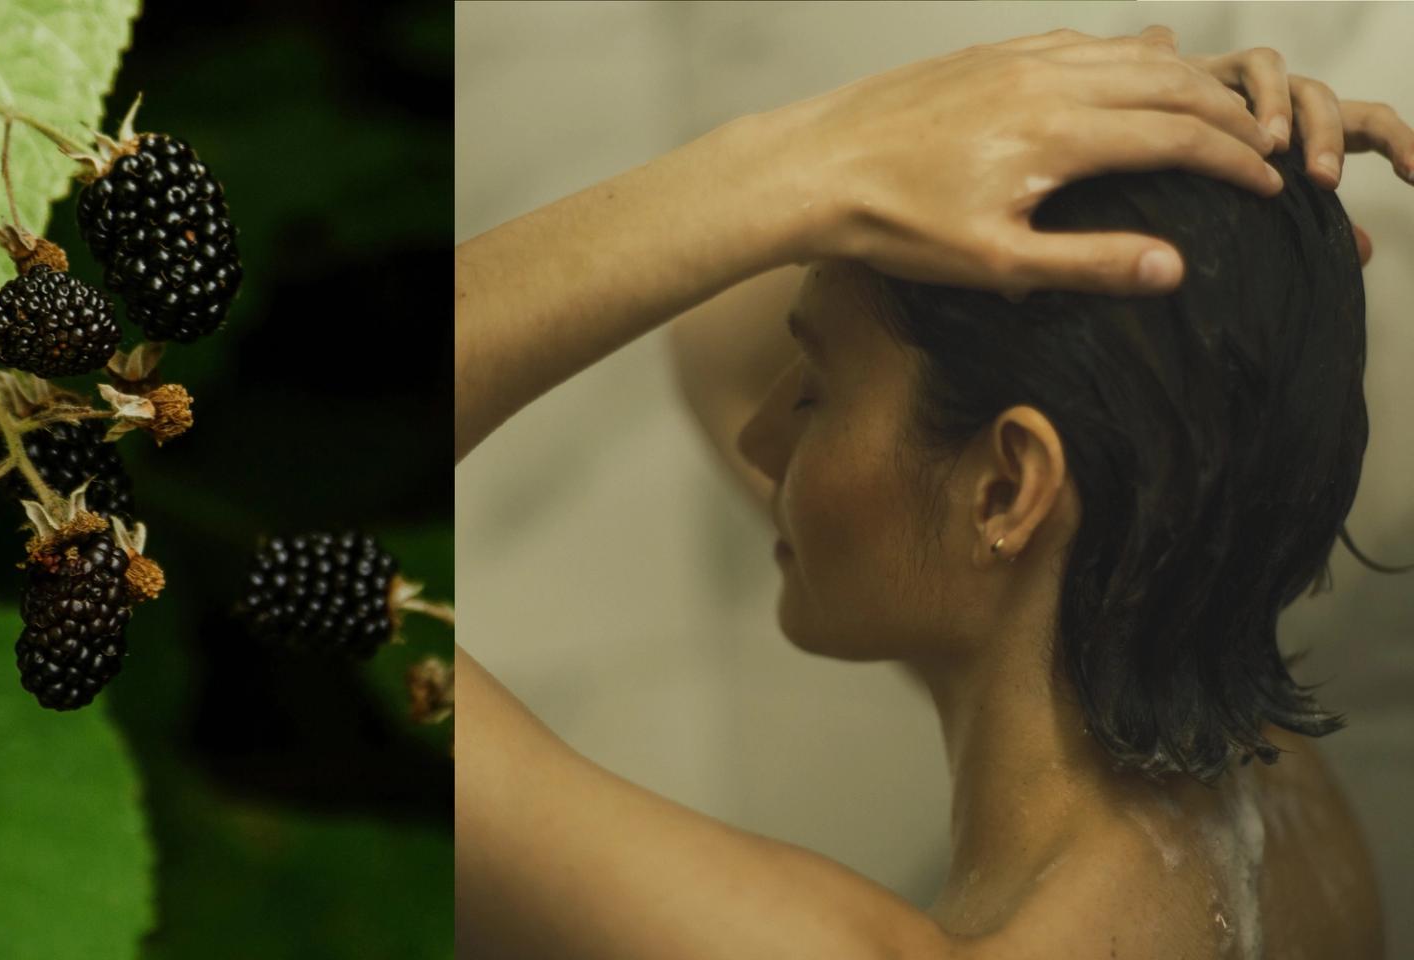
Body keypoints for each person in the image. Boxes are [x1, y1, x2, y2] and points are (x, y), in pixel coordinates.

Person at [455, 25, 1414, 960]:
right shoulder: (1281, 804)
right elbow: (716, 350)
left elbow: (304, 518)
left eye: (815, 392)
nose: (759, 435)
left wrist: (816, 157)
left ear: (1004, 490)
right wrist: (1131, 170)